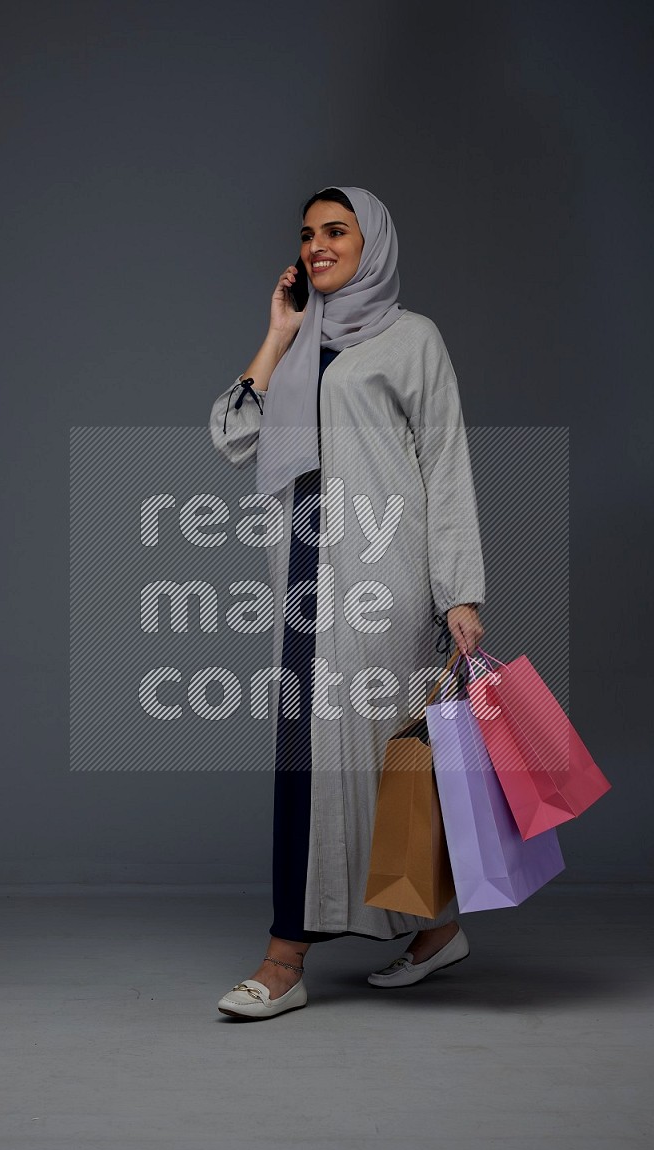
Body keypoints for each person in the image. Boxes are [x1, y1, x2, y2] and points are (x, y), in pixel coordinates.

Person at [209, 186, 485, 1019]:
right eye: (308, 234)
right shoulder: (300, 345)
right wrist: (278, 332)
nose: (319, 245)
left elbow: (445, 463)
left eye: (337, 231)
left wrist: (460, 593)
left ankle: (429, 929)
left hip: (384, 571)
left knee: (390, 757)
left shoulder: (412, 340)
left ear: (375, 243)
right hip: (302, 570)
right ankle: (288, 954)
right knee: (307, 752)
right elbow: (230, 434)